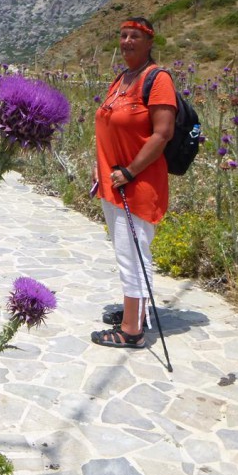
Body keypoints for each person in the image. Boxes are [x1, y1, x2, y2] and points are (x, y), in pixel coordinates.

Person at [91, 17, 176, 348]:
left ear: (149, 42)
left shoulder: (158, 79)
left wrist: (130, 171)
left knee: (133, 253)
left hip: (137, 183)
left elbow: (162, 133)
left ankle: (132, 332)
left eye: (134, 37)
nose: (126, 41)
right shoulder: (122, 78)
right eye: (123, 35)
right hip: (114, 182)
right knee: (127, 251)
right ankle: (134, 312)